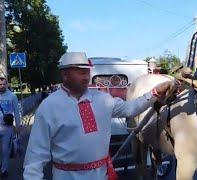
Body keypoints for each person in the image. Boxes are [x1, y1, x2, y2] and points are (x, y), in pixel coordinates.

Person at [23, 52, 174, 180]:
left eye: (87, 72)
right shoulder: (49, 107)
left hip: (102, 175)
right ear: (65, 74)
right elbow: (35, 156)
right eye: (81, 72)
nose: (86, 77)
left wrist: (154, 93)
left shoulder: (102, 99)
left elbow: (130, 108)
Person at [0, 73, 21, 178]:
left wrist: (18, 125)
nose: (2, 86)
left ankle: (4, 169)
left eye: (4, 84)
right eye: (0, 84)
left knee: (5, 150)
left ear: (7, 84)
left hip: (7, 128)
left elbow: (17, 112)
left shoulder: (12, 96)